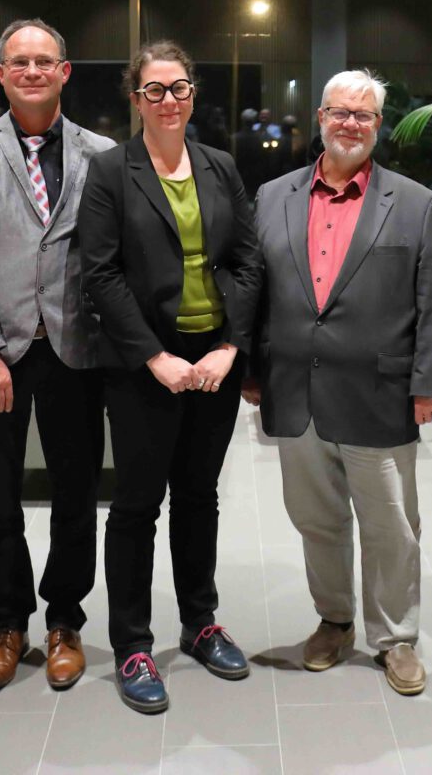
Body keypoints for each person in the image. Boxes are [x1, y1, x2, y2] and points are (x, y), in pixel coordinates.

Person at [244, 68, 432, 697]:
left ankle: (397, 639)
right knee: (317, 520)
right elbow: (254, 290)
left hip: (379, 394)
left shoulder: (416, 203)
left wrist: (431, 383)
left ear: (378, 125)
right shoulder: (273, 196)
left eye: (363, 115)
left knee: (391, 525)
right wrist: (252, 370)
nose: (350, 124)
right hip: (295, 391)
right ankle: (334, 621)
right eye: (339, 112)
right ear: (320, 118)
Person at [78, 40, 262, 714]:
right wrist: (155, 358)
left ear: (192, 94)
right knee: (135, 506)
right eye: (154, 89)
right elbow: (99, 272)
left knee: (198, 497)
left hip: (212, 362)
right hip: (142, 366)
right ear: (137, 99)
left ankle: (200, 623)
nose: (168, 100)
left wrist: (230, 347)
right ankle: (132, 644)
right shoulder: (110, 171)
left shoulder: (219, 166)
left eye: (178, 88)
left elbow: (248, 260)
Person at [0, 18, 116, 695]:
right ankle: (7, 624)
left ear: (65, 71)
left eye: (45, 60)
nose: (33, 70)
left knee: (76, 492)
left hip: (76, 348)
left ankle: (65, 621)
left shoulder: (102, 153)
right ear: (2, 74)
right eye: (20, 62)